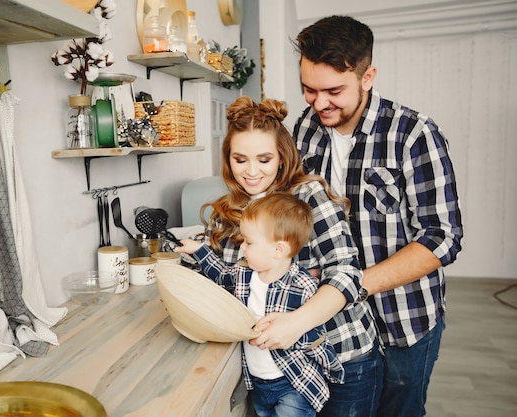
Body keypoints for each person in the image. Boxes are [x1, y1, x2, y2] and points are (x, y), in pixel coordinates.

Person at [293, 15, 464, 417]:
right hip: (333, 330)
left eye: (333, 91)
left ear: (367, 76)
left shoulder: (414, 133)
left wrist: (350, 286)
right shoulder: (304, 129)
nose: (319, 103)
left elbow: (442, 237)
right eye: (308, 89)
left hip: (402, 322)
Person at [176, 96, 382, 417]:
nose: (252, 171)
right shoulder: (227, 212)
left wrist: (297, 322)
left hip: (340, 356)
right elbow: (219, 279)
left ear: (282, 159)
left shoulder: (307, 197)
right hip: (272, 374)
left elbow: (346, 273)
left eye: (264, 158)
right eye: (240, 159)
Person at [178, 192, 344, 416]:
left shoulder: (302, 284)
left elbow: (316, 335)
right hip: (257, 383)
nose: (242, 247)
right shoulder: (244, 272)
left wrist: (279, 333)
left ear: (278, 250)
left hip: (293, 384)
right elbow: (221, 275)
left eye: (249, 241)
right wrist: (199, 251)